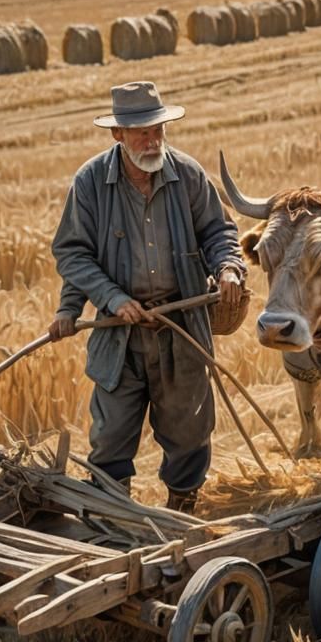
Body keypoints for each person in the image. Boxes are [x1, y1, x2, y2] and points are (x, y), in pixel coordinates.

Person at [49, 81, 245, 514]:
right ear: (117, 134)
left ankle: (182, 513)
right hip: (120, 333)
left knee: (189, 430)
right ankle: (112, 521)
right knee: (111, 433)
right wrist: (110, 298)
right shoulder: (91, 182)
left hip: (180, 328)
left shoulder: (188, 174)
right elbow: (72, 252)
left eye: (157, 129)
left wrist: (228, 267)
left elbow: (220, 232)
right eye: (140, 132)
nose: (151, 139)